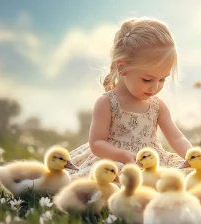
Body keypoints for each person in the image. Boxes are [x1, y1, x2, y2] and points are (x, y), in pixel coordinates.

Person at [68, 17, 193, 178]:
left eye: (162, 79)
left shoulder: (157, 106)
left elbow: (176, 137)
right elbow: (97, 143)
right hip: (115, 159)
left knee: (180, 177)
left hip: (151, 159)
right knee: (110, 180)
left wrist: (191, 156)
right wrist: (121, 155)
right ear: (122, 67)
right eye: (147, 80)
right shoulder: (107, 103)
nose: (155, 87)